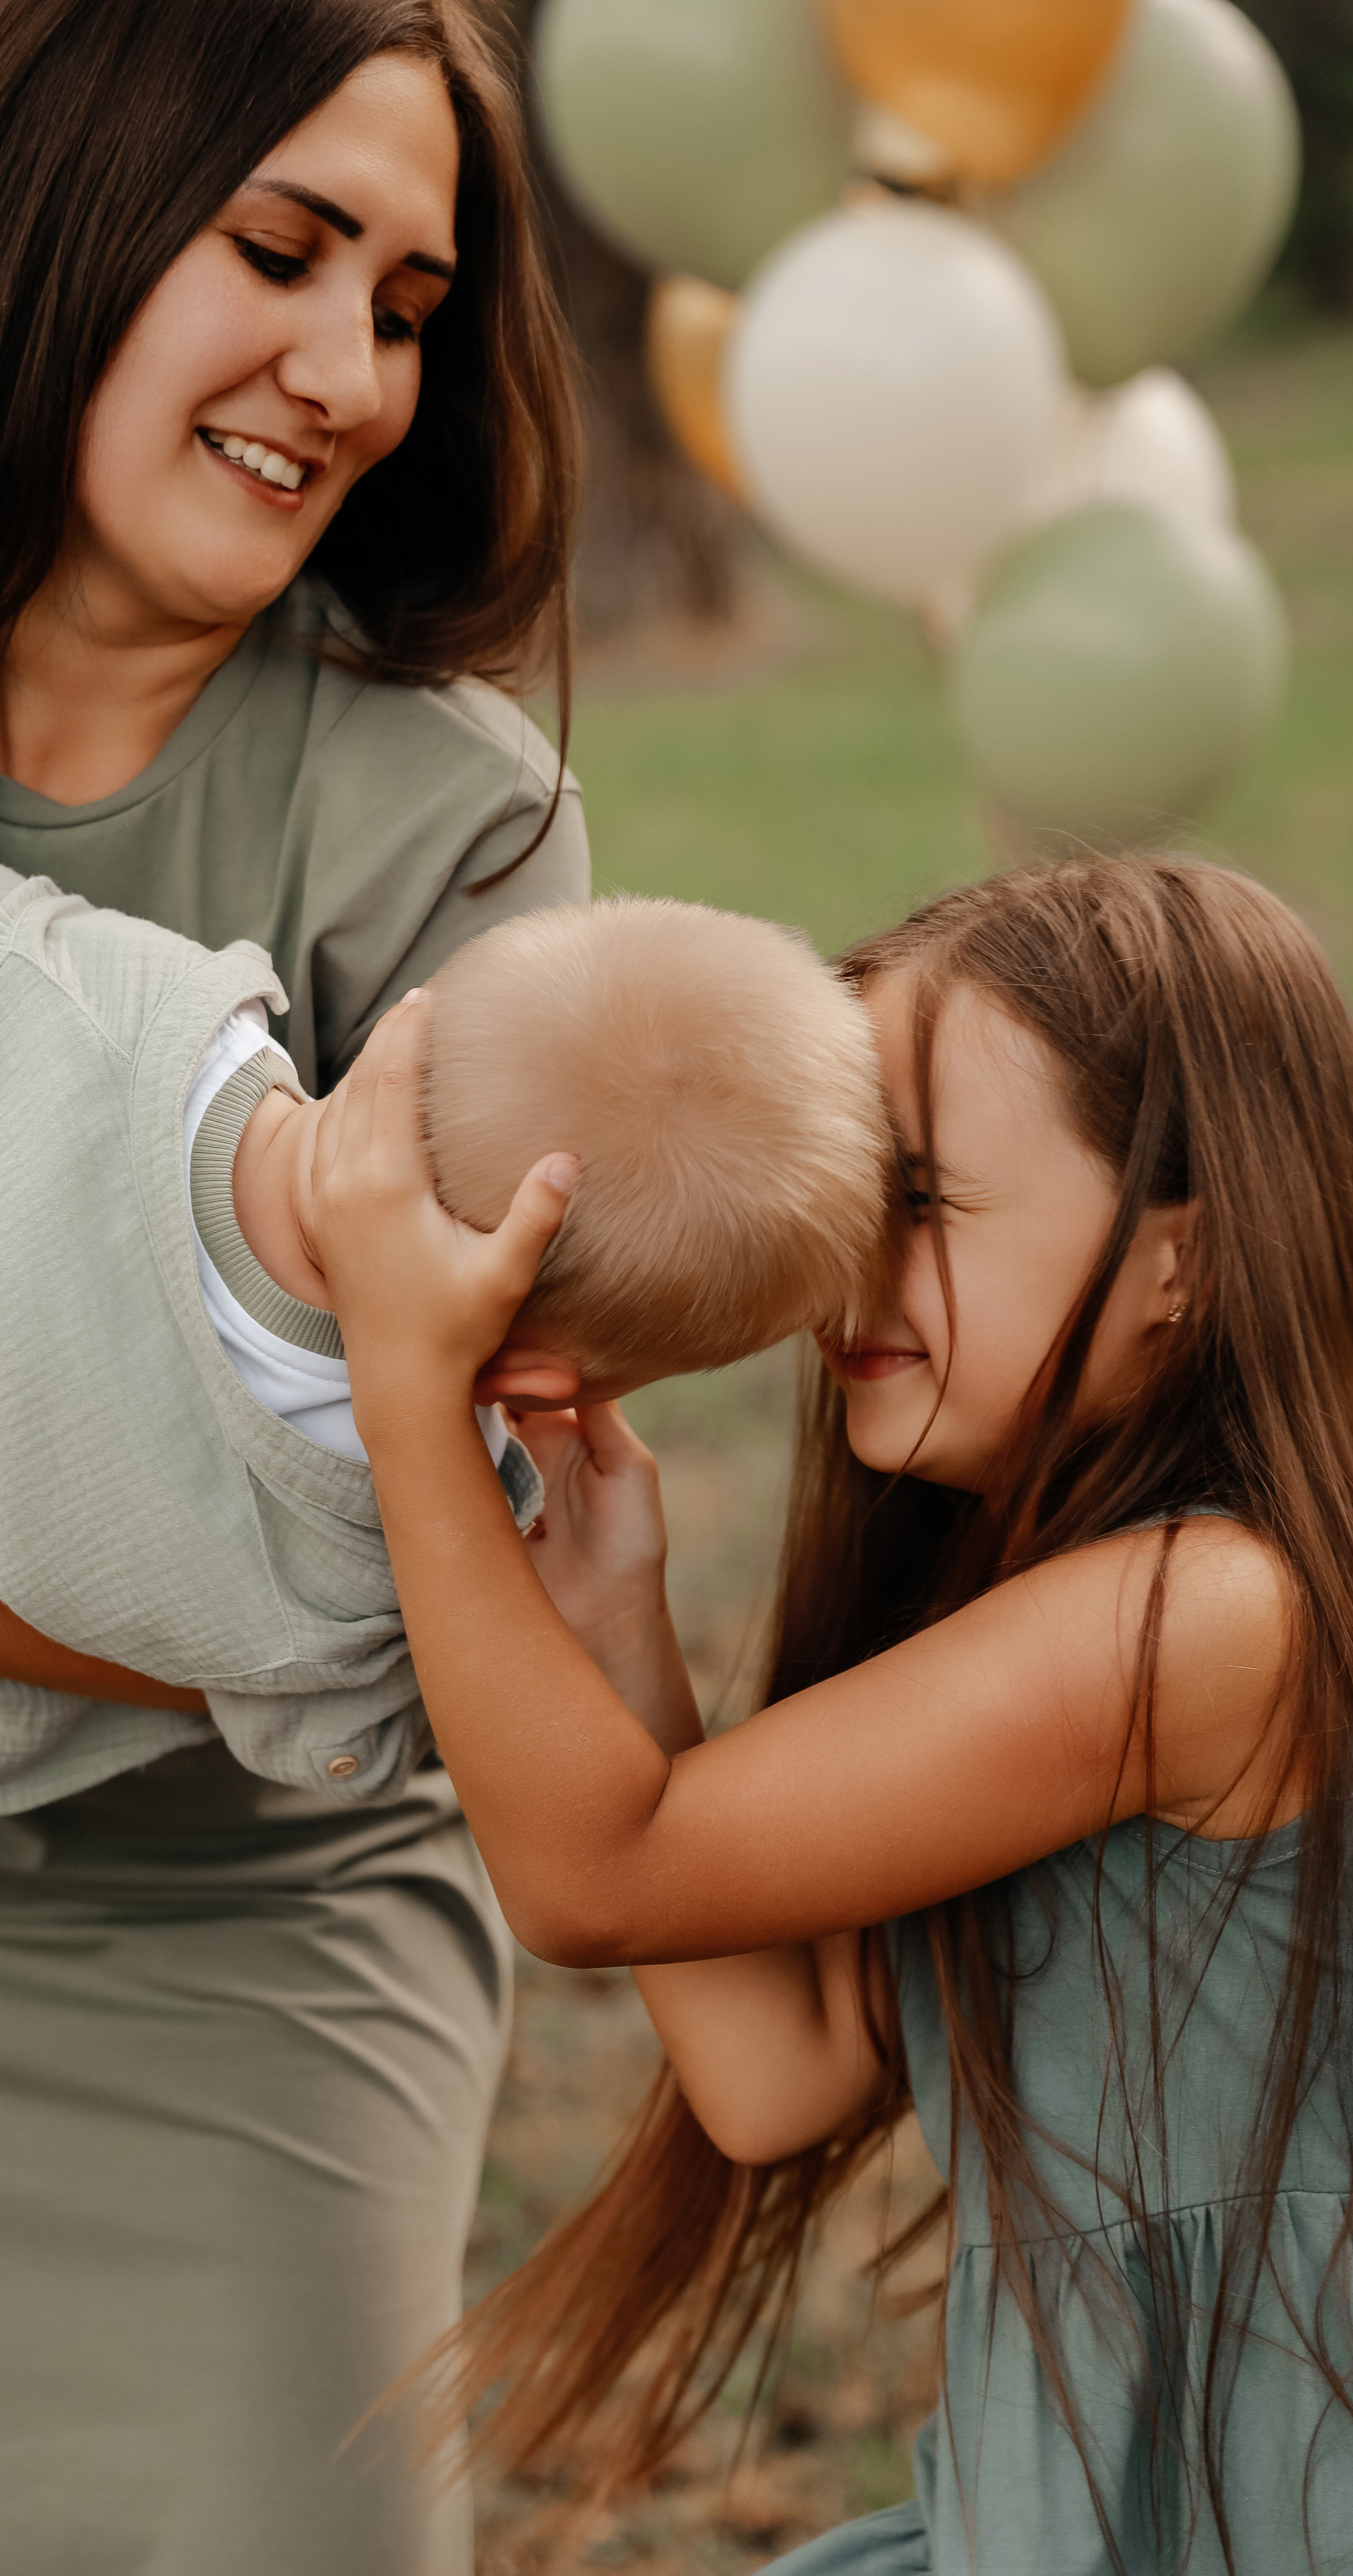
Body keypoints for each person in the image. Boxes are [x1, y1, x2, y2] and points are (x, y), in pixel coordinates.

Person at [0, 2, 592, 2568]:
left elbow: (429, 1605)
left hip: (234, 1946)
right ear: (39, 220)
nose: (348, 372)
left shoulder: (451, 833)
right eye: (277, 252)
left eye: (404, 300)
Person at [290, 853, 1353, 2573]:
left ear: (1184, 1256)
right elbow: (777, 2077)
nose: (852, 1261)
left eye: (923, 1201)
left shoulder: (1198, 1620)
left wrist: (406, 1385)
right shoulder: (1071, 1595)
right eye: (852, 1192)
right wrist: (622, 1625)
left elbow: (590, 1880)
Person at [0, 579, 887, 1818]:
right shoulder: (386, 1556)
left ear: (412, 1022)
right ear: (548, 1386)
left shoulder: (99, 1001)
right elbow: (368, 1739)